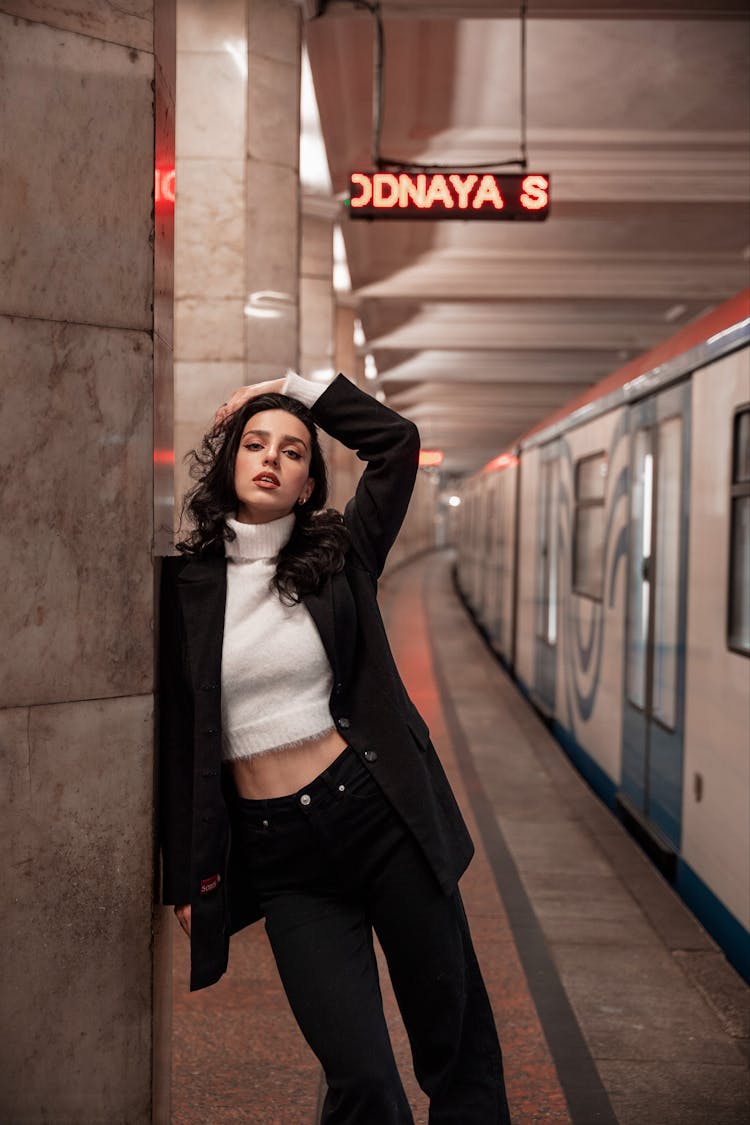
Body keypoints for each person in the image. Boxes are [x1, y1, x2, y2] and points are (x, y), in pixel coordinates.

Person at [159, 370, 512, 1124]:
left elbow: (396, 444)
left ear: (308, 481)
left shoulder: (342, 555)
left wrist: (294, 385)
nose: (270, 458)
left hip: (382, 818)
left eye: (291, 452)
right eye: (255, 443)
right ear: (228, 461)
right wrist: (192, 871)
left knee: (455, 1047)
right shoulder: (186, 587)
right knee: (361, 1077)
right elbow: (180, 742)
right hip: (283, 857)